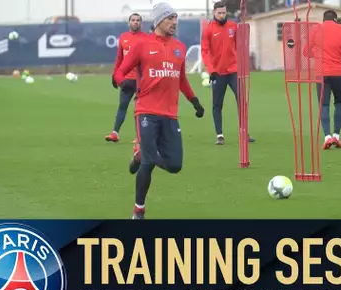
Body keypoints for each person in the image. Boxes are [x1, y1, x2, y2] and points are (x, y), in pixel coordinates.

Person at [113, 3, 205, 219]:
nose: (174, 22)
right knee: (149, 161)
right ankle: (139, 210)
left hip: (170, 115)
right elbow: (119, 71)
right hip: (145, 111)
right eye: (170, 18)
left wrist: (194, 100)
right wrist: (122, 83)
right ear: (158, 21)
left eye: (176, 18)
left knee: (175, 165)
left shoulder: (180, 48)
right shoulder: (142, 45)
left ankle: (139, 153)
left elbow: (181, 79)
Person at [201, 1, 255, 145]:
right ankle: (219, 135)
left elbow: (240, 45)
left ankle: (244, 132)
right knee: (217, 104)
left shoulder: (233, 26)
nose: (221, 15)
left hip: (233, 72)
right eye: (219, 13)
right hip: (217, 73)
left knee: (242, 101)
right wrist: (211, 69)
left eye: (223, 12)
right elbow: (205, 52)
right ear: (214, 13)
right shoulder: (208, 30)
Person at [311, 10, 341, 149]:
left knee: (324, 105)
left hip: (321, 73)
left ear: (323, 19)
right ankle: (336, 136)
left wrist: (319, 55)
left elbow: (306, 51)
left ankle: (327, 136)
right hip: (338, 72)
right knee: (339, 103)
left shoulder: (316, 30)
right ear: (335, 19)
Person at [105, 13, 148, 144]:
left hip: (142, 80)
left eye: (138, 20)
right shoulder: (124, 38)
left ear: (141, 23)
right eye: (133, 20)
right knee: (122, 106)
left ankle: (140, 136)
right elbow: (119, 58)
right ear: (129, 22)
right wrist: (115, 75)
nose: (135, 22)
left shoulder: (146, 38)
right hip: (127, 80)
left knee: (140, 109)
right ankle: (115, 133)